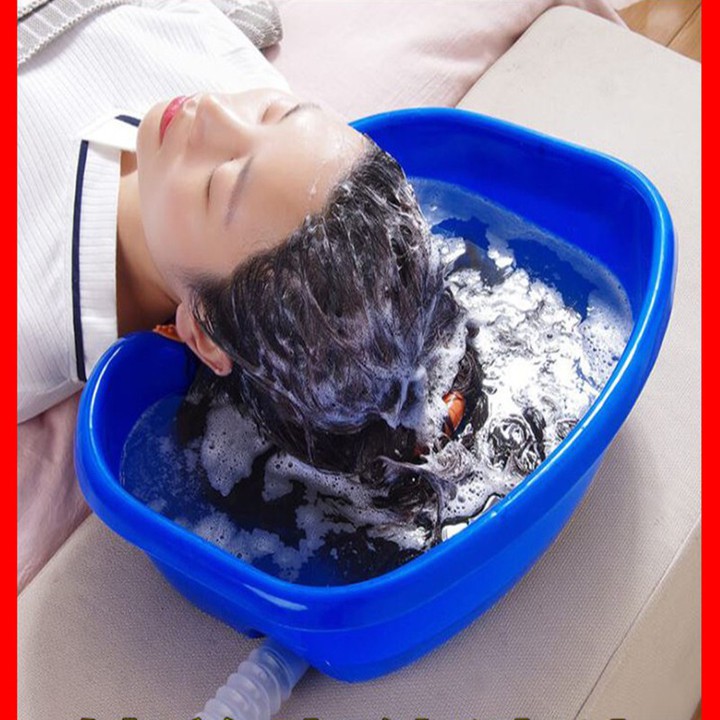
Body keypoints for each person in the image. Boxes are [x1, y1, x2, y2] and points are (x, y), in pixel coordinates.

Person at [18, 0, 486, 486]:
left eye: (218, 181)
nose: (213, 107)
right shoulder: (233, 75)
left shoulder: (23, 324)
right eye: (272, 113)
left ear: (205, 335)